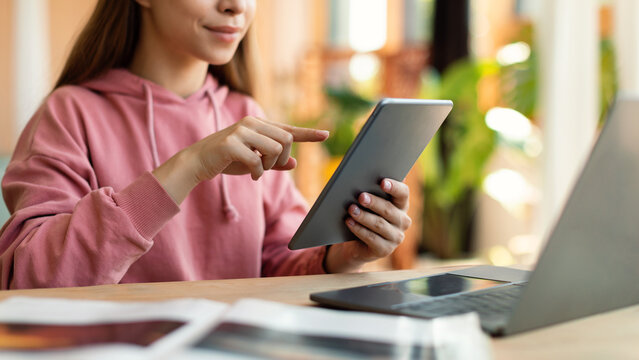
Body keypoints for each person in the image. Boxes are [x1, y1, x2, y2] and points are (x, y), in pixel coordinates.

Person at [0, 0, 411, 289]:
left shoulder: (244, 111)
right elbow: (29, 279)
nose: (236, 5)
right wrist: (191, 164)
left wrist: (340, 257)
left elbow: (279, 262)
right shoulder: (69, 113)